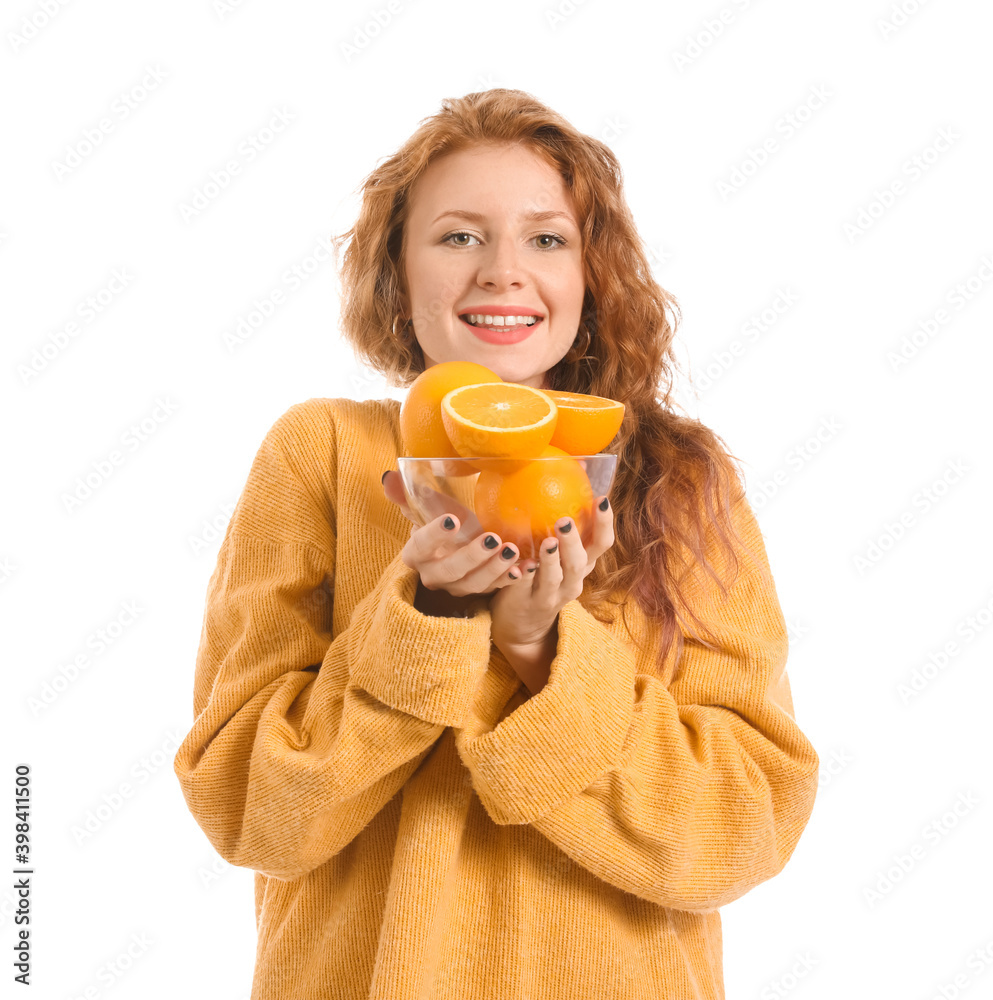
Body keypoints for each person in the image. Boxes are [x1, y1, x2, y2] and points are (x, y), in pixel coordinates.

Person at [173, 88, 820, 1000]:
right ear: (396, 277)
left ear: (592, 276)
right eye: (458, 236)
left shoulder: (680, 478)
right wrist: (425, 621)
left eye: (546, 239)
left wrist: (539, 650)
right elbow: (248, 812)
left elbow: (745, 826)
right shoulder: (322, 453)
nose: (502, 272)